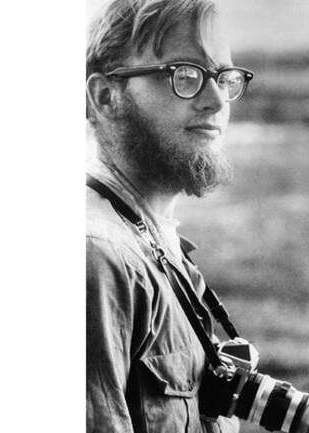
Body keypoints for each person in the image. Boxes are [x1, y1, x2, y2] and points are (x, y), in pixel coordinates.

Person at [85, 1, 254, 432]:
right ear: (105, 96)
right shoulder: (99, 257)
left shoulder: (155, 243)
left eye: (224, 77)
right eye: (185, 74)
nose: (216, 100)